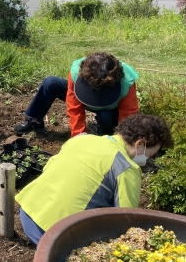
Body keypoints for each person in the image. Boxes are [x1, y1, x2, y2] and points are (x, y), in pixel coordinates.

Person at [15, 114, 173, 245]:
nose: (147, 159)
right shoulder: (126, 168)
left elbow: (48, 168)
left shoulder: (82, 139)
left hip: (28, 213)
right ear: (140, 144)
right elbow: (126, 221)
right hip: (54, 235)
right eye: (150, 155)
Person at [13, 52, 139, 137]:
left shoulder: (127, 82)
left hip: (109, 109)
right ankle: (34, 121)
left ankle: (106, 129)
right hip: (85, 96)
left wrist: (121, 141)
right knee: (50, 83)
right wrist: (79, 136)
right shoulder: (77, 73)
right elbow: (74, 108)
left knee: (105, 116)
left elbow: (128, 116)